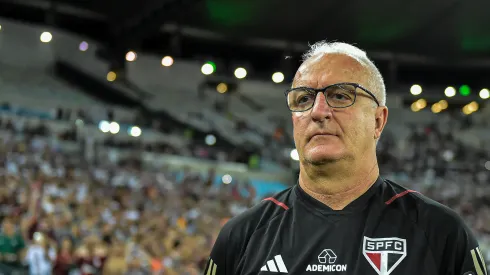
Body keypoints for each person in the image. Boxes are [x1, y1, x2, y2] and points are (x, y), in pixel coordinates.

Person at [203, 41, 487, 275]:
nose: (318, 111)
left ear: (378, 121)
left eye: (340, 96)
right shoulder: (242, 237)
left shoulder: (442, 234)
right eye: (303, 99)